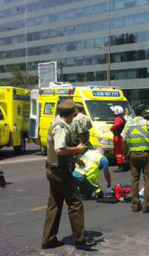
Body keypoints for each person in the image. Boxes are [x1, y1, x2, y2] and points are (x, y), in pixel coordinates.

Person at [41, 99, 96, 250]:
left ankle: (48, 239)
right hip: (61, 173)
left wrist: (75, 159)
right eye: (74, 114)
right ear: (71, 114)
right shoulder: (61, 128)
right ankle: (80, 239)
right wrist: (77, 150)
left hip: (54, 170)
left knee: (55, 205)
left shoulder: (58, 124)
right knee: (76, 203)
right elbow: (59, 149)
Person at [122, 104, 149, 213]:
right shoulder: (146, 123)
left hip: (133, 155)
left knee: (134, 179)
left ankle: (135, 205)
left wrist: (125, 155)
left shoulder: (128, 123)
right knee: (147, 180)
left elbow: (123, 140)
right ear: (142, 111)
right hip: (146, 155)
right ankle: (146, 205)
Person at [110, 106, 126, 172]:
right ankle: (123, 165)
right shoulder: (123, 118)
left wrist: (111, 128)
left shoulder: (118, 119)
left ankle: (120, 166)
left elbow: (116, 125)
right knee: (122, 151)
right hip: (121, 137)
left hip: (117, 137)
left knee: (118, 152)